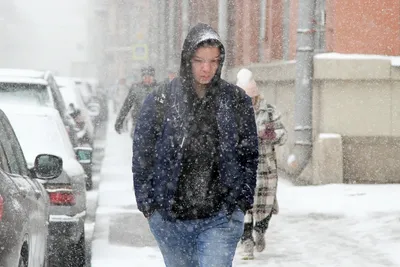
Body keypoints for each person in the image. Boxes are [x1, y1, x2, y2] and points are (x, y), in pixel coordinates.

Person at [132, 23, 259, 267]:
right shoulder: (160, 100)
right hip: (170, 220)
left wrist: (240, 203)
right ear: (187, 59)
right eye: (199, 60)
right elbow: (142, 156)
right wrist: (149, 206)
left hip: (220, 218)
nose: (206, 68)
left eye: (213, 61)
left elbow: (249, 155)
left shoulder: (235, 101)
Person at [236, 68, 287, 260]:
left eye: (252, 97)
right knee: (243, 208)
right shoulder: (233, 113)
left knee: (266, 206)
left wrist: (272, 134)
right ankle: (246, 241)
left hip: (266, 168)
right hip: (242, 169)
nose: (249, 102)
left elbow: (283, 136)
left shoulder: (270, 111)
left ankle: (260, 230)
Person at [114, 66, 158, 136]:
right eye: (145, 77)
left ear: (153, 77)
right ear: (142, 77)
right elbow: (126, 106)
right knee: (138, 144)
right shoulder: (136, 88)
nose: (147, 79)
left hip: (155, 127)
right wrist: (119, 121)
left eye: (150, 77)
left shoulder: (159, 88)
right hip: (138, 125)